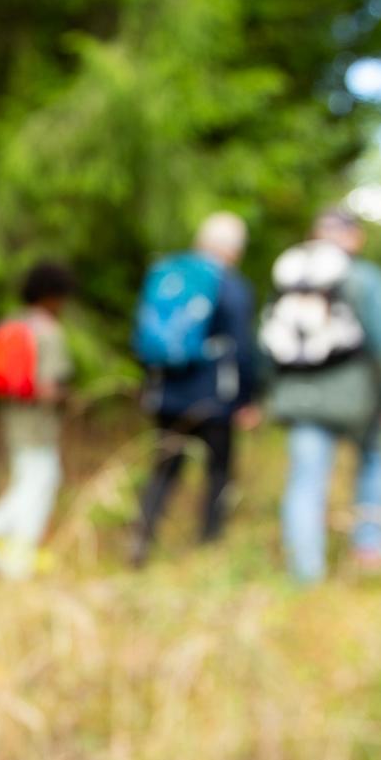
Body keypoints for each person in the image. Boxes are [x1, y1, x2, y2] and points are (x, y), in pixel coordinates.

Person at [263, 206, 381, 584]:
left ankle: (304, 570)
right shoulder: (366, 278)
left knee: (305, 480)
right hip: (356, 399)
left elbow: (265, 342)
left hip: (300, 398)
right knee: (374, 460)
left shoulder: (289, 274)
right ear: (355, 237)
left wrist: (263, 391)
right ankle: (371, 546)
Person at [128, 212, 263, 566]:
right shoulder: (231, 285)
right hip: (215, 396)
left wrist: (149, 383)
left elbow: (144, 334)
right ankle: (208, 543)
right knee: (218, 471)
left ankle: (141, 538)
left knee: (164, 468)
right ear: (234, 249)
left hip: (167, 393)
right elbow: (243, 349)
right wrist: (248, 398)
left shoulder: (168, 274)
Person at [0, 261, 77, 579]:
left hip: (11, 418)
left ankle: (13, 555)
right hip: (37, 425)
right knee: (38, 483)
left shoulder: (11, 323)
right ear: (52, 295)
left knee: (32, 479)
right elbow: (47, 387)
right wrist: (65, 396)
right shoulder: (49, 331)